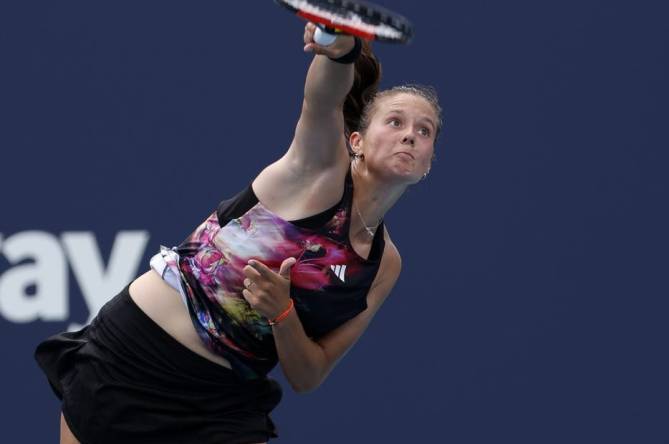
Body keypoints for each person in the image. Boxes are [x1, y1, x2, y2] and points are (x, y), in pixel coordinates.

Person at [35, 21, 442, 444]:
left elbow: (309, 373)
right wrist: (337, 50)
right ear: (356, 140)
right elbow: (322, 101)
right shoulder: (320, 173)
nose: (410, 135)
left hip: (224, 402)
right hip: (135, 359)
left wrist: (282, 315)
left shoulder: (383, 265)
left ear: (429, 162)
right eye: (395, 122)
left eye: (424, 131)